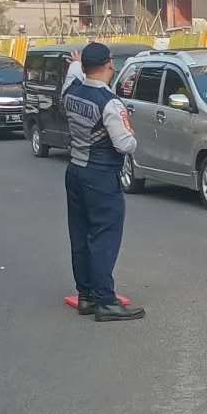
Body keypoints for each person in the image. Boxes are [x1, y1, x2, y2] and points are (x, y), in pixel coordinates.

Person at [62, 43, 145, 322]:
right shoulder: (109, 102)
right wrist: (130, 129)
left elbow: (72, 76)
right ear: (110, 65)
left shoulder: (71, 92)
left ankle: (85, 294)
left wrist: (76, 65)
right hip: (100, 176)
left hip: (74, 170)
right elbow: (125, 144)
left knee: (80, 234)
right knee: (104, 238)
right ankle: (105, 301)